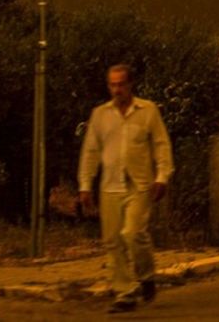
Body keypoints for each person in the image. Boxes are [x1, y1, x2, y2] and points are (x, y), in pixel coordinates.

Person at [79, 64, 174, 313]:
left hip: (139, 184)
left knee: (132, 232)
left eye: (121, 84)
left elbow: (161, 145)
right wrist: (85, 185)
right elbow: (90, 151)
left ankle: (146, 275)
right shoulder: (100, 115)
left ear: (130, 85)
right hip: (110, 185)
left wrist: (162, 176)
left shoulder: (147, 111)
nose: (117, 89)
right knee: (112, 240)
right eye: (112, 85)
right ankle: (125, 292)